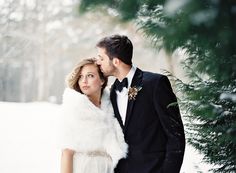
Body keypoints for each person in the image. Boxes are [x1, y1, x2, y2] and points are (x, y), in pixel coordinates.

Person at [96, 35, 186, 173]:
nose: (98, 63)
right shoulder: (112, 92)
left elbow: (176, 136)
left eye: (101, 58)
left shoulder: (156, 84)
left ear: (115, 61)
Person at [60, 58, 128, 173]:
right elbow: (66, 153)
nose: (84, 81)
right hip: (84, 168)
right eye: (81, 76)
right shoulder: (74, 107)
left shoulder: (111, 107)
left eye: (90, 76)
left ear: (102, 80)